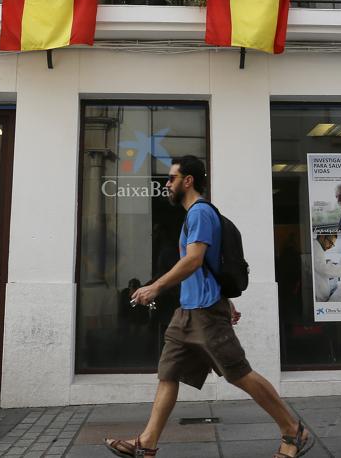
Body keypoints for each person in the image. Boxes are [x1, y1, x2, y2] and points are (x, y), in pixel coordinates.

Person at [105, 156, 313, 458]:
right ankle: (146, 444)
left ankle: (292, 429)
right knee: (168, 373)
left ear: (188, 181)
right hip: (187, 312)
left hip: (204, 312)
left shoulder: (200, 213)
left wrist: (155, 287)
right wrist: (226, 301)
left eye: (172, 178)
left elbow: (194, 260)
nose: (167, 184)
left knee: (239, 373)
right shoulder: (194, 215)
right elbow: (210, 267)